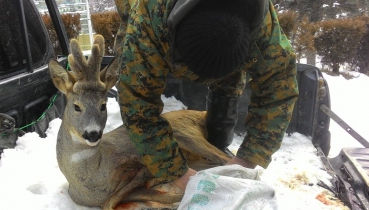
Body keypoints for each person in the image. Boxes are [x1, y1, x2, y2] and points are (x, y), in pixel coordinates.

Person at [113, 0, 299, 192]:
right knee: (130, 76)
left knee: (229, 78)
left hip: (224, 39)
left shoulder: (265, 32)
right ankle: (141, 144)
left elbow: (279, 92)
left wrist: (248, 158)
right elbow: (137, 99)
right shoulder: (148, 20)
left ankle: (217, 143)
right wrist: (175, 171)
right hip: (141, 14)